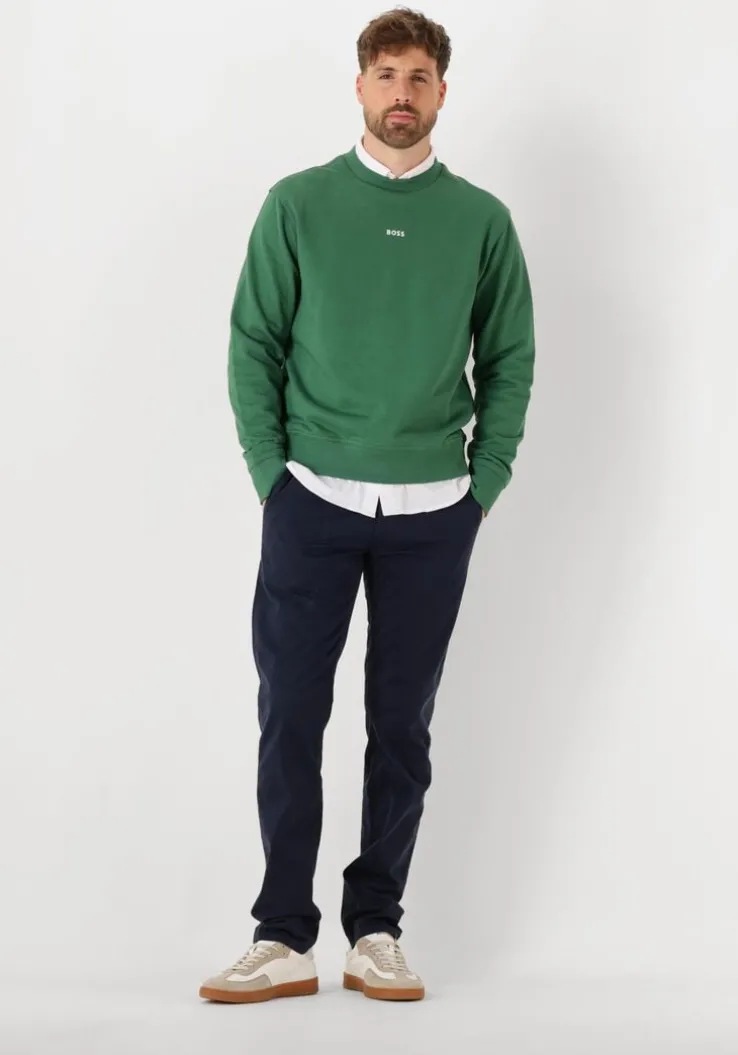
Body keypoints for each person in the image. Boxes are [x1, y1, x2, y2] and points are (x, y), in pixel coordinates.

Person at [199, 6, 535, 1005]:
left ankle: (376, 928)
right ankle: (282, 934)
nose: (401, 93)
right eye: (385, 74)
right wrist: (273, 474)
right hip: (311, 497)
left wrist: (485, 482)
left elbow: (510, 357)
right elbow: (253, 343)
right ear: (359, 87)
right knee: (290, 717)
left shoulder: (481, 221)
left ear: (442, 93)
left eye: (418, 77)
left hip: (434, 510)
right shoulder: (298, 204)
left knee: (401, 726)